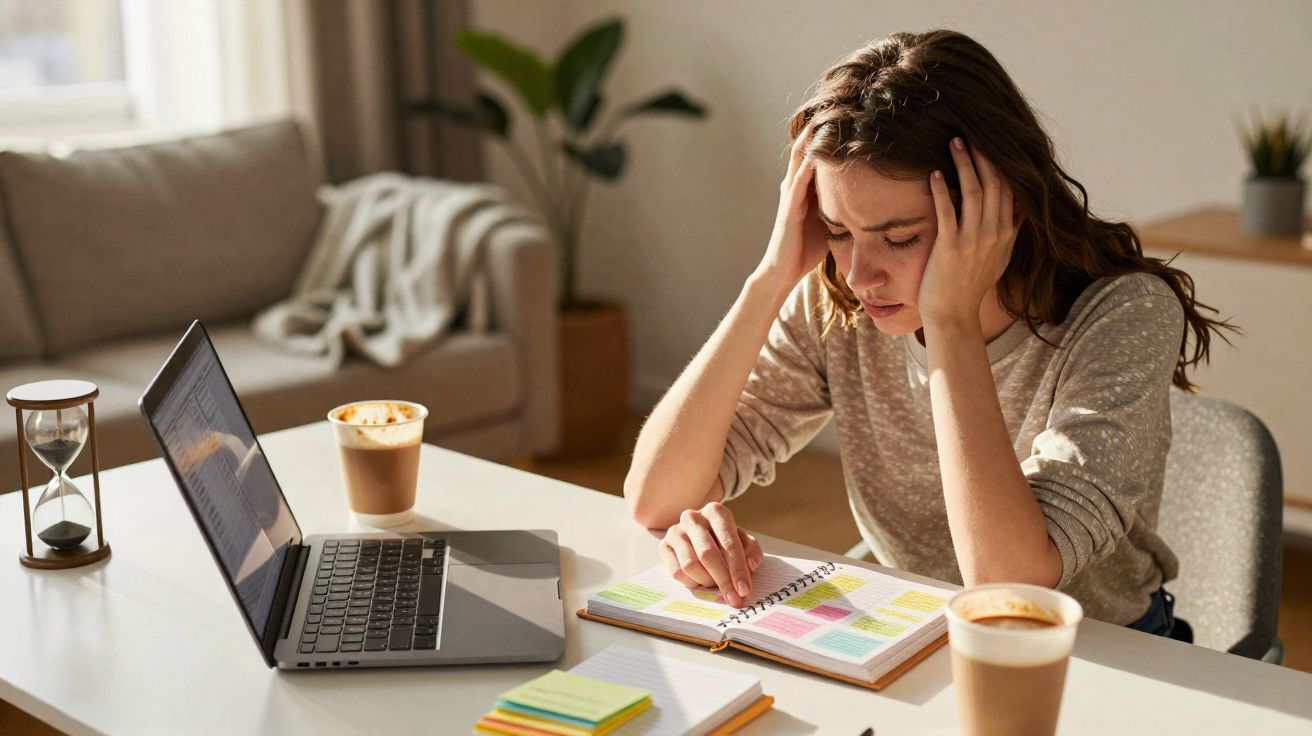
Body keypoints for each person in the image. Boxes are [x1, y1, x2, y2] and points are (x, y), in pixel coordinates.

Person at [622, 29, 1228, 638]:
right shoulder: (841, 298)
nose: (860, 275)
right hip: (912, 630)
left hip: (1101, 651)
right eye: (837, 230)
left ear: (997, 204)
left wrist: (950, 320)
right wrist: (770, 279)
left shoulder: (1123, 315)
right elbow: (655, 497)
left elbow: (1006, 586)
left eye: (900, 237)